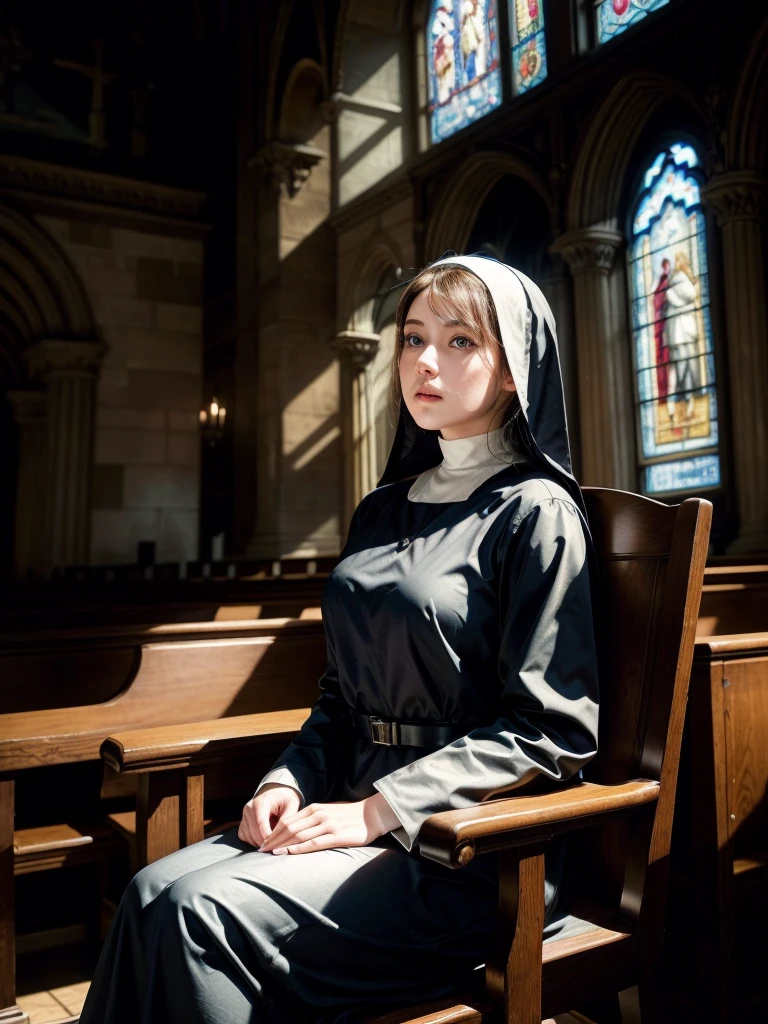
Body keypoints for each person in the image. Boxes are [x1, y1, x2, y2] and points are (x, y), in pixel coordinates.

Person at [79, 254, 599, 1024]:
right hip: (353, 814)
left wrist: (379, 810)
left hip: (472, 851)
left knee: (198, 918)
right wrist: (286, 779)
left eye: (460, 342)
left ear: (516, 369)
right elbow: (342, 696)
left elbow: (550, 730)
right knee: (150, 892)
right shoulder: (383, 509)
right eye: (413, 337)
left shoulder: (536, 512)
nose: (425, 360)